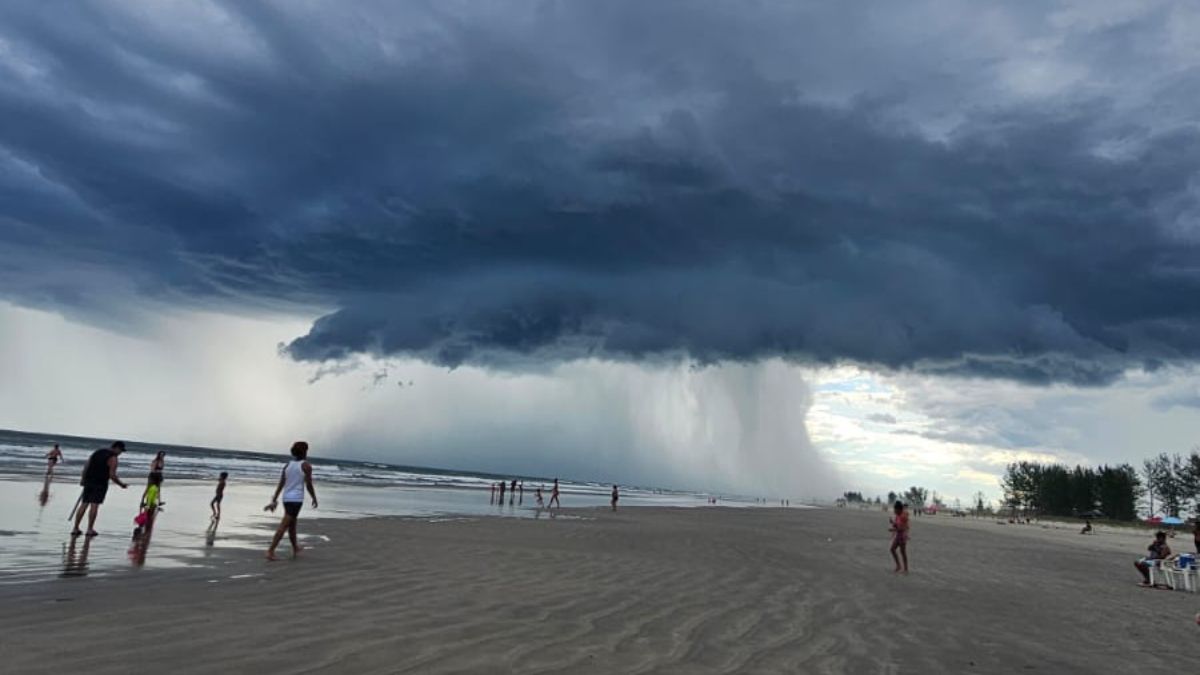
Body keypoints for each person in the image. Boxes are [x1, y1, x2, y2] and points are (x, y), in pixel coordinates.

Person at [265, 442, 318, 561]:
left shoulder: (288, 465)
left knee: (292, 525)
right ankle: (270, 551)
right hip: (296, 500)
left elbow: (281, 483)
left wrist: (275, 498)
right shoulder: (306, 466)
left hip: (286, 498)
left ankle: (295, 548)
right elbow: (308, 484)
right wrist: (314, 497)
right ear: (304, 452)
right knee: (284, 525)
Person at [72, 441, 129, 537]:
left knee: (84, 504)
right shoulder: (113, 457)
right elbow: (112, 475)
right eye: (121, 451)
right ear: (116, 448)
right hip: (100, 483)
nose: (120, 453)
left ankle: (75, 528)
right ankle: (89, 529)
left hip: (89, 481)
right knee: (94, 505)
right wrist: (121, 484)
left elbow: (87, 466)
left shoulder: (97, 452)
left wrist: (83, 479)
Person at [889, 500, 909, 574]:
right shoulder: (897, 516)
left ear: (899, 509)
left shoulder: (903, 517)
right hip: (898, 535)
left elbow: (902, 528)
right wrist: (892, 523)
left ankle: (906, 569)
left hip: (902, 536)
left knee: (903, 552)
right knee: (892, 549)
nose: (894, 511)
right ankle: (898, 566)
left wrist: (892, 529)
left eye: (895, 509)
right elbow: (897, 525)